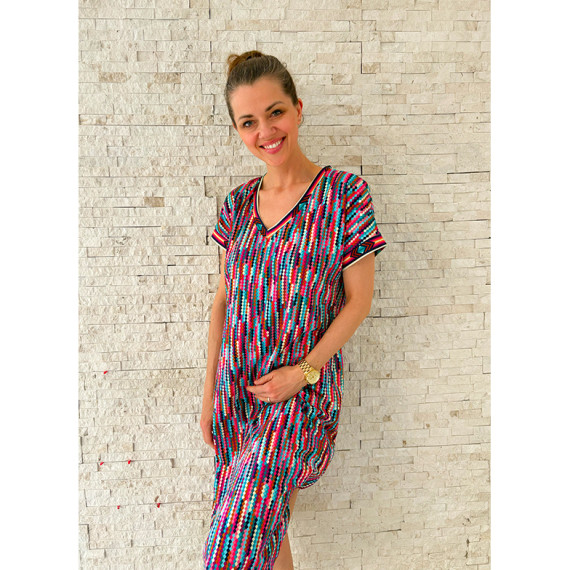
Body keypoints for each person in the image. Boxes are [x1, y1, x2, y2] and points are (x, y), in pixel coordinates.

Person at [201, 50, 388, 569]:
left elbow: (359, 301)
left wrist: (302, 374)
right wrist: (210, 394)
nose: (265, 131)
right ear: (238, 131)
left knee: (234, 545)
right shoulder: (237, 207)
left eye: (275, 112)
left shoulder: (344, 195)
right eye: (248, 122)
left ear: (298, 109)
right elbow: (223, 303)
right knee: (265, 534)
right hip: (237, 395)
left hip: (299, 398)